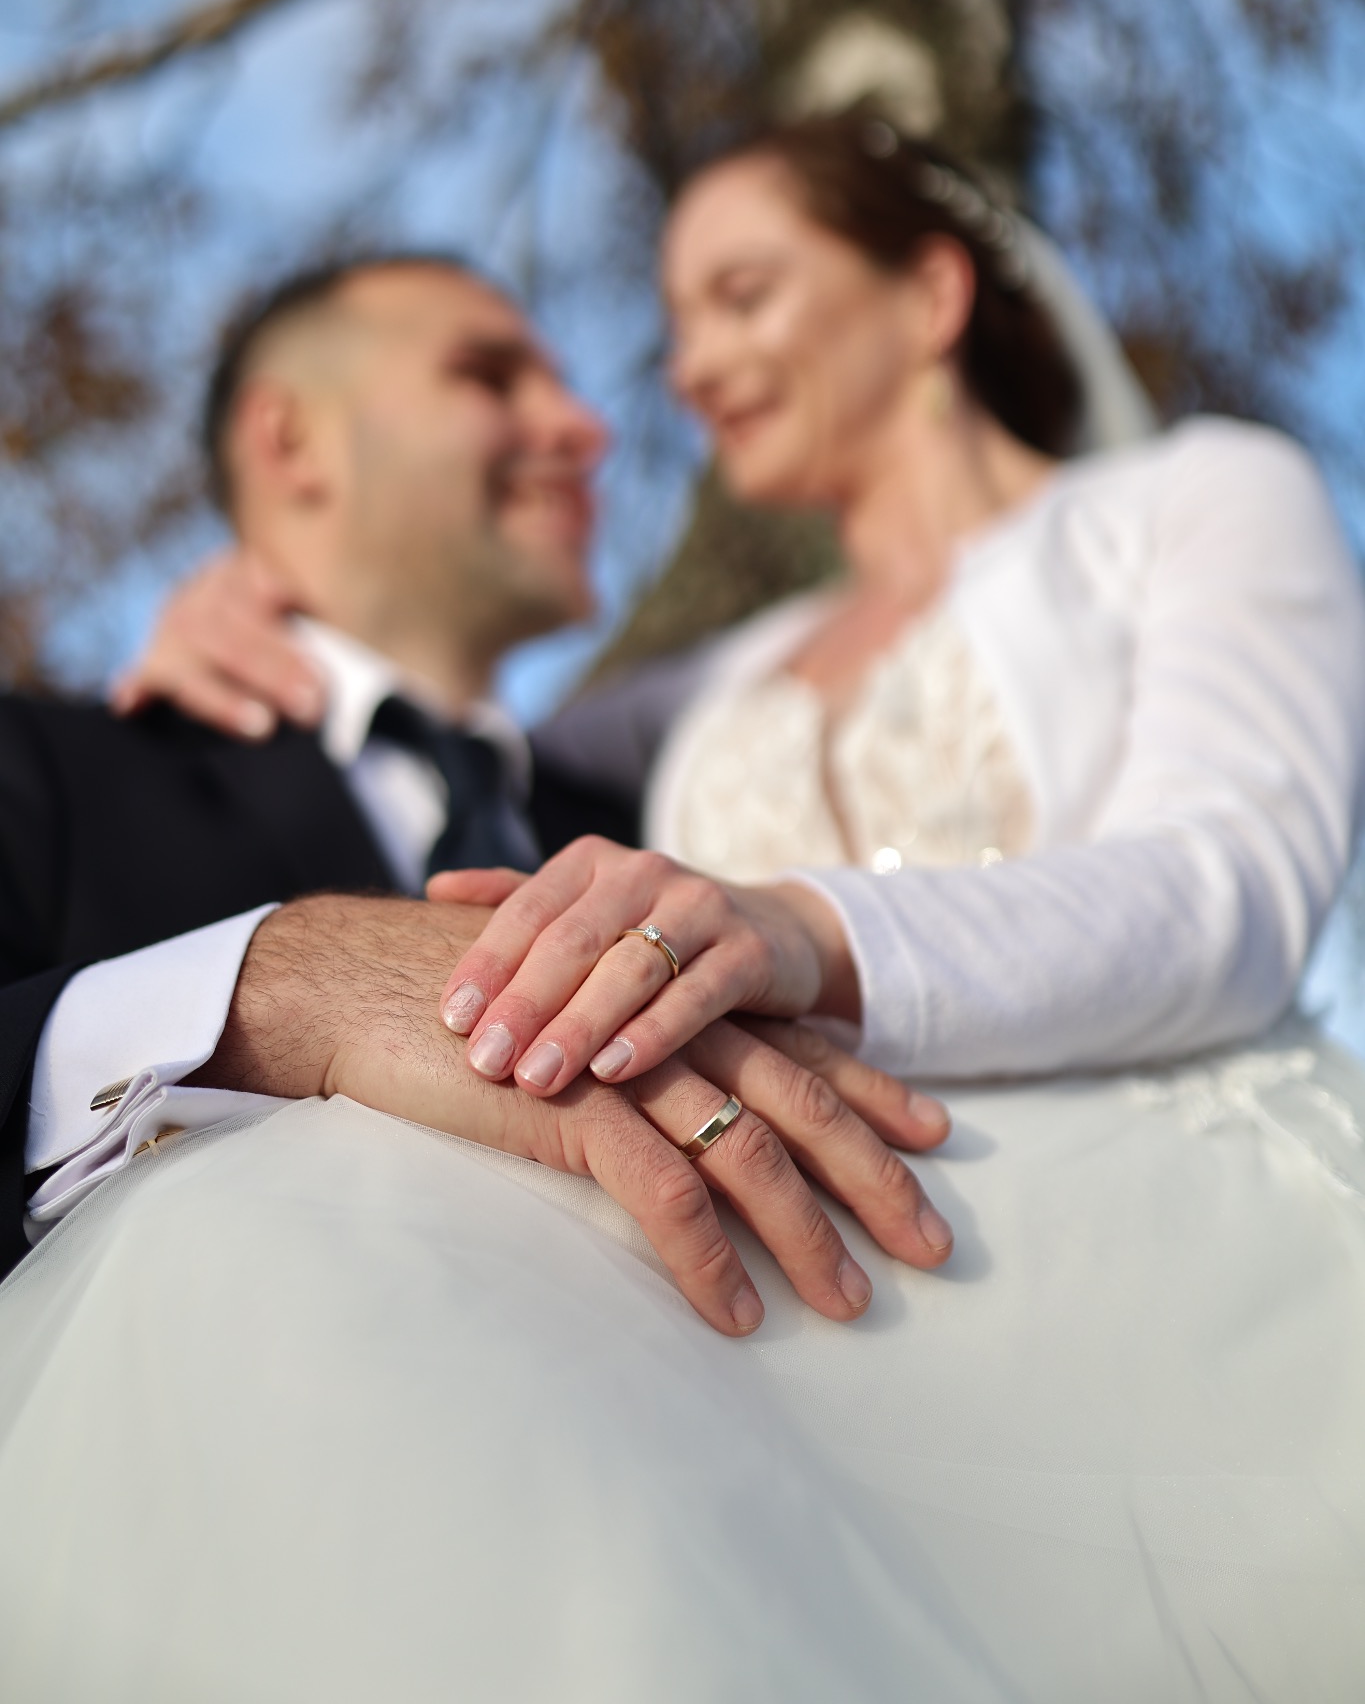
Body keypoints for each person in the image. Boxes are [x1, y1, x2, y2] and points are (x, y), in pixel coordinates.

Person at [85, 112, 1365, 1700]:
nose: (686, 371)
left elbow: (1228, 879)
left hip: (1163, 1224)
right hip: (829, 1276)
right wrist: (252, 594)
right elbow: (426, 737)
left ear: (930, 296)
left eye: (743, 294)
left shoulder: (1201, 498)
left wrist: (801, 928)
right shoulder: (701, 693)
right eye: (679, 322)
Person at [0, 251, 955, 1325]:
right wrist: (269, 987)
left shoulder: (672, 834)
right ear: (292, 441)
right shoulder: (41, 768)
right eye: (490, 376)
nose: (586, 429)